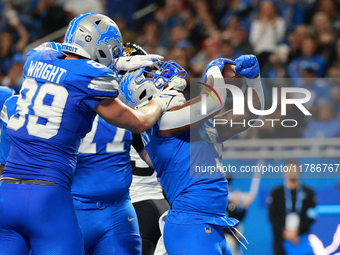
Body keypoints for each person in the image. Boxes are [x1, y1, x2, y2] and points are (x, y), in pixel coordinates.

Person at [0, 13, 184, 255]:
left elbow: (55, 53)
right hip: (48, 194)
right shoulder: (94, 80)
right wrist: (161, 100)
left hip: (8, 193)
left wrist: (115, 63)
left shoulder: (36, 60)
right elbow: (139, 122)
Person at [119, 54, 264, 254]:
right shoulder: (164, 124)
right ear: (142, 93)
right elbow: (215, 99)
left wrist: (254, 79)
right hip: (191, 225)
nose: (165, 79)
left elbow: (251, 113)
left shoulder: (187, 125)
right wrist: (214, 69)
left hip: (209, 223)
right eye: (154, 77)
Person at [268, 160, 317, 255]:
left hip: (302, 237)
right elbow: (272, 217)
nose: (292, 172)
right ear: (284, 172)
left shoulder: (309, 192)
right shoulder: (276, 193)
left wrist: (297, 231)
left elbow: (312, 215)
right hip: (281, 238)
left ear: (299, 172)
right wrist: (285, 232)